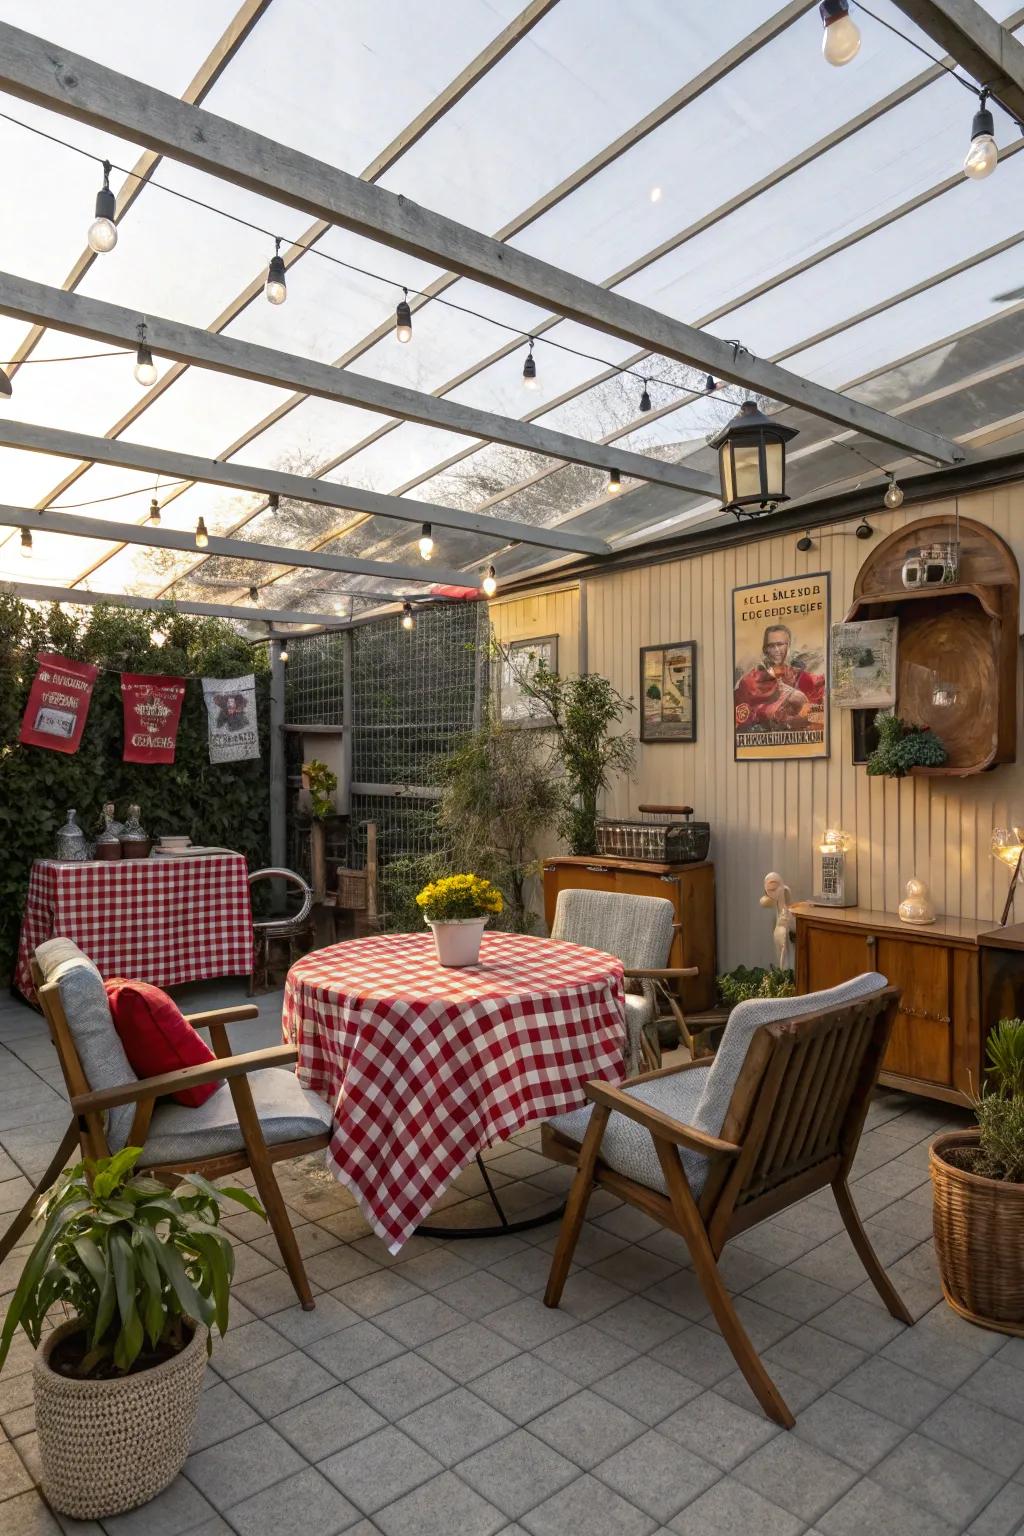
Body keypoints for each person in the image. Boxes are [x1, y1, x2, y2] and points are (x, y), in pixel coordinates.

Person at [734, 623, 824, 736]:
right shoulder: (752, 680)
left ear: (789, 646)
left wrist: (802, 709)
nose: (776, 650)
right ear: (765, 649)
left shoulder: (803, 677)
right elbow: (740, 715)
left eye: (780, 644)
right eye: (771, 646)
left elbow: (821, 715)